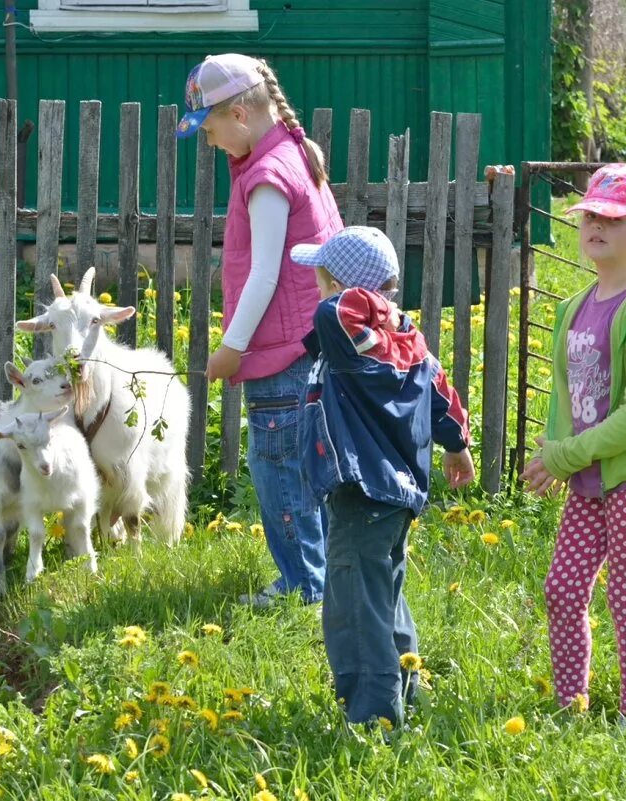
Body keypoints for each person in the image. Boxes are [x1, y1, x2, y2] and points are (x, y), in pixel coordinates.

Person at [177, 53, 343, 607]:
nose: (208, 142)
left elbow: (266, 272)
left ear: (242, 115)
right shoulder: (296, 152)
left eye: (210, 128)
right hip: (308, 340)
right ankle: (316, 578)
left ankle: (302, 586)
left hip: (279, 352)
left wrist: (230, 348)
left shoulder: (269, 176)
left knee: (280, 476)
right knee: (303, 466)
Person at [521, 163, 626, 719]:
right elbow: (564, 399)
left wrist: (567, 455)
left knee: (624, 594)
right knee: (562, 589)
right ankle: (572, 705)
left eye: (612, 218)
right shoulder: (574, 307)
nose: (596, 226)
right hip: (590, 474)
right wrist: (554, 453)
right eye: (590, 215)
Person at [293, 225, 475, 727]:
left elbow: (331, 313)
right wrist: (457, 445)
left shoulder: (353, 341)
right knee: (383, 596)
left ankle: (373, 715)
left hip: (364, 491)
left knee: (354, 604)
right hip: (391, 496)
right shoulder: (404, 346)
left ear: (342, 287)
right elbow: (443, 395)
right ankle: (406, 687)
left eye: (321, 279)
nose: (318, 290)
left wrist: (373, 302)